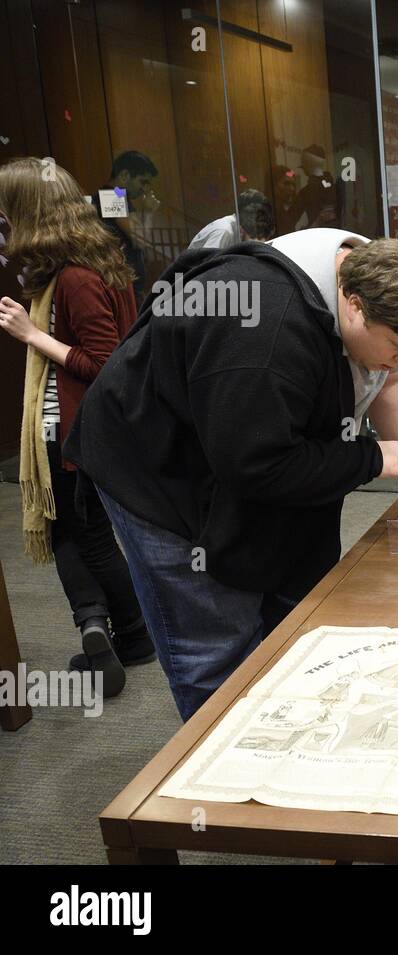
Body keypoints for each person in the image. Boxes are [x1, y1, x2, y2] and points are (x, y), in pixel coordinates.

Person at [64, 227, 398, 720]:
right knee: (214, 648)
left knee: (289, 613)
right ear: (355, 305)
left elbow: (391, 374)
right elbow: (258, 465)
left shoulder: (365, 268)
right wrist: (374, 457)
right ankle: (223, 771)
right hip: (159, 473)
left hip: (239, 442)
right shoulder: (265, 331)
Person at [0, 157, 153, 698]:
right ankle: (116, 634)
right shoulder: (95, 259)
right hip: (83, 429)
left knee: (77, 533)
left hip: (73, 430)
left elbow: (105, 360)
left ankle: (117, 631)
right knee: (82, 532)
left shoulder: (76, 276)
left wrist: (30, 334)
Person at [93, 150, 160, 304]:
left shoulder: (118, 195)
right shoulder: (111, 195)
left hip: (127, 286)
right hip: (122, 288)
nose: (144, 189)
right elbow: (141, 240)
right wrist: (149, 212)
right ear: (124, 175)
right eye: (142, 182)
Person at [187, 189, 275, 250]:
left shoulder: (238, 227)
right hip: (182, 276)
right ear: (242, 230)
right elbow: (206, 269)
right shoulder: (224, 231)